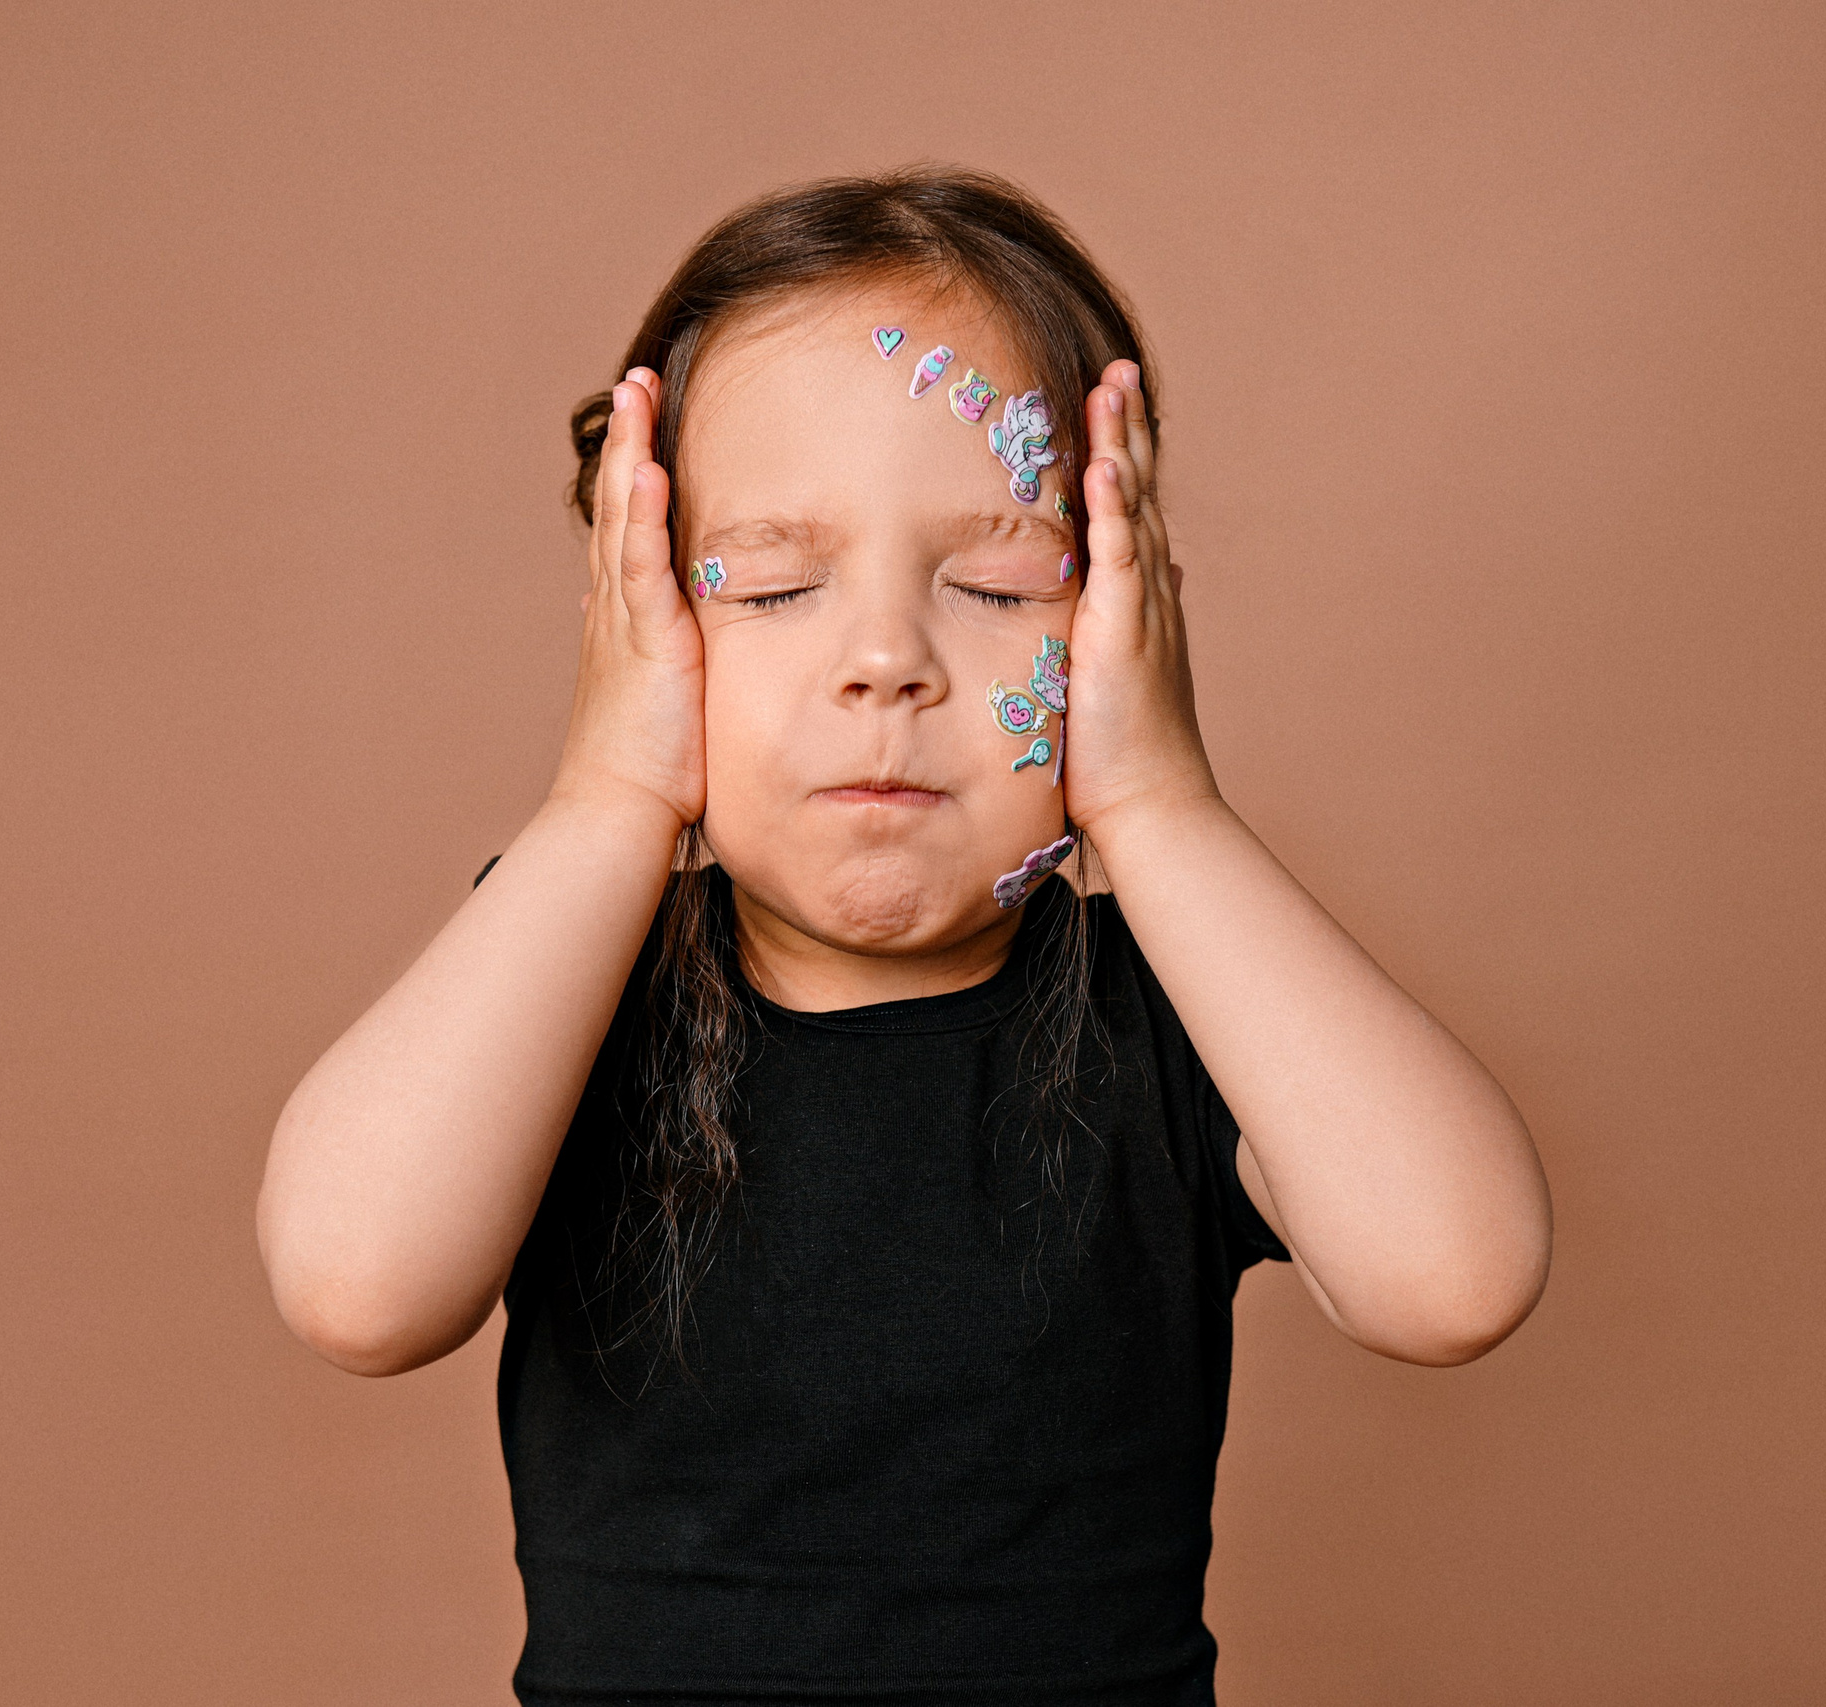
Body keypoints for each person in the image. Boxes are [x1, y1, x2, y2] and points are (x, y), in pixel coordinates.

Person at [256, 166, 1552, 1706]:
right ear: (635, 624)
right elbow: (357, 1287)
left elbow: (1457, 1276)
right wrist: (608, 794)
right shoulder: (572, 976)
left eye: (999, 582)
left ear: (1123, 628)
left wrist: (1162, 805)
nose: (886, 661)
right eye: (777, 586)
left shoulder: (1177, 1012)